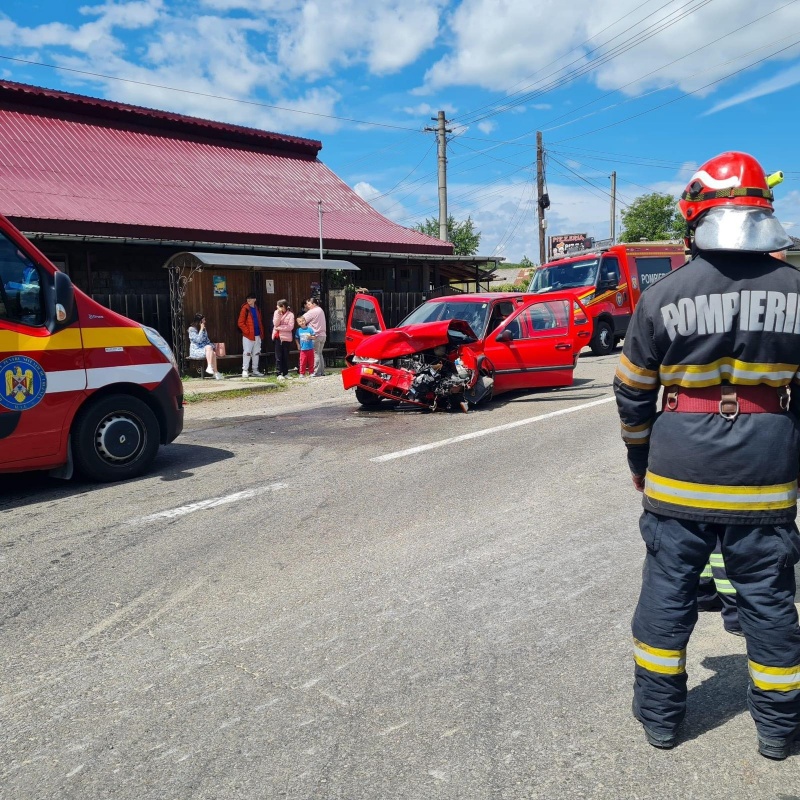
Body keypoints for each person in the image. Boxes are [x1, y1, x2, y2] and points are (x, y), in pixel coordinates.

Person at [613, 151, 800, 761]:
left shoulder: (664, 294)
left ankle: (661, 720)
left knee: (666, 601)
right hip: (767, 476)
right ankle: (777, 731)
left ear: (697, 215)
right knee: (770, 606)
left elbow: (633, 391)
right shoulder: (797, 291)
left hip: (677, 473)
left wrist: (640, 464)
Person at [187, 313, 223, 379]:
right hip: (196, 350)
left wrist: (214, 346)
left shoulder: (204, 329)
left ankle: (215, 372)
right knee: (209, 348)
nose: (205, 321)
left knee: (213, 352)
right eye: (203, 320)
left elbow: (207, 341)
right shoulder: (191, 329)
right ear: (199, 321)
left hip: (204, 349)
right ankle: (210, 367)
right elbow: (198, 340)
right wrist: (201, 329)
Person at [237, 293, 264, 378]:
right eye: (248, 298)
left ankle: (255, 370)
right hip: (248, 336)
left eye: (251, 298)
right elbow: (240, 323)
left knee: (256, 353)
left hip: (257, 334)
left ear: (254, 299)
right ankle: (245, 370)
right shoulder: (245, 309)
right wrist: (247, 332)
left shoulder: (257, 309)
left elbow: (259, 321)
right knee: (247, 353)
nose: (249, 300)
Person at [302, 296, 327, 377]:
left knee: (315, 353)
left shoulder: (312, 311)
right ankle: (322, 371)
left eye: (309, 304)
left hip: (315, 335)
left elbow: (301, 320)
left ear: (313, 304)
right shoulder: (320, 310)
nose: (307, 306)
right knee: (320, 353)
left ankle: (315, 372)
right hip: (323, 335)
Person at [272, 299, 295, 380]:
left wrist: (279, 328)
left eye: (278, 306)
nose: (277, 307)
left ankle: (286, 373)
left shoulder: (291, 314)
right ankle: (278, 373)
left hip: (286, 338)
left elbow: (290, 327)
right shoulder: (276, 313)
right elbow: (275, 323)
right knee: (278, 356)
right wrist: (279, 314)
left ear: (283, 306)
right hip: (277, 337)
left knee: (285, 356)